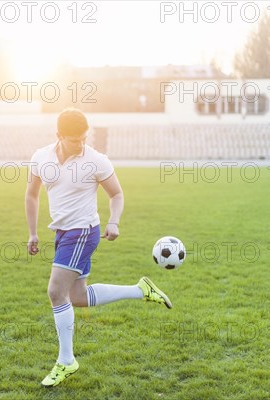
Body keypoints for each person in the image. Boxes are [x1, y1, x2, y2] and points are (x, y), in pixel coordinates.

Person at [25, 108, 172, 387]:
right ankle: (141, 289)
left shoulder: (96, 160)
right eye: (73, 139)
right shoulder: (40, 157)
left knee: (56, 292)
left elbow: (116, 193)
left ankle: (66, 361)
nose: (80, 143)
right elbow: (31, 195)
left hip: (83, 232)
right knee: (77, 297)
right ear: (58, 136)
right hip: (61, 232)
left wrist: (114, 221)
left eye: (84, 138)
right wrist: (33, 233)